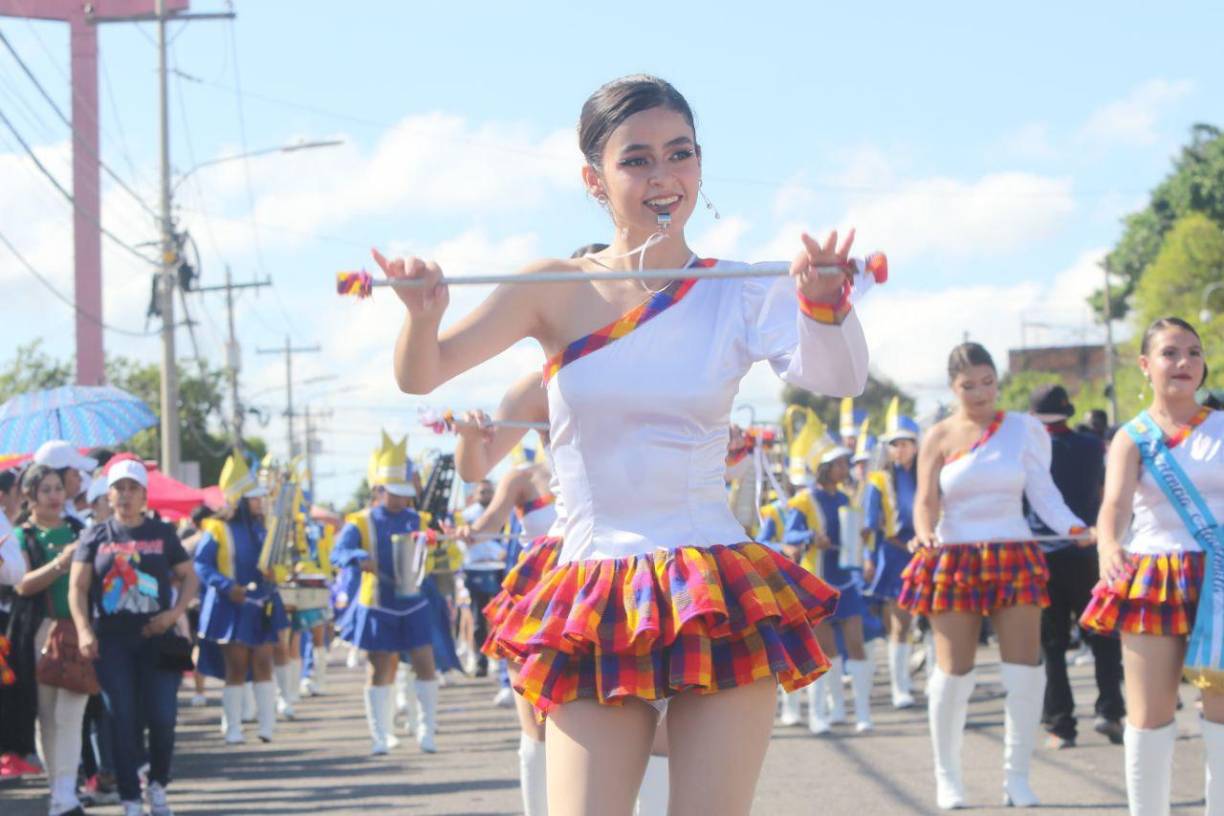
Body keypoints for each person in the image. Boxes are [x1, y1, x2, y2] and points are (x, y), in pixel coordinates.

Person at [381, 74, 869, 815]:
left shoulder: (737, 288)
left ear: (701, 164)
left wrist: (825, 306)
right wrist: (420, 315)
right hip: (594, 587)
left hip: (716, 585)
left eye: (679, 154)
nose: (662, 176)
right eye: (636, 159)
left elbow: (837, 377)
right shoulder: (552, 285)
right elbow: (427, 373)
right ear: (594, 179)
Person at [899, 342, 1089, 810]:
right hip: (955, 555)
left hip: (1014, 550)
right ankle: (948, 778)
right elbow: (925, 501)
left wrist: (1073, 526)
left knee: (1023, 670)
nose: (981, 393)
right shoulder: (938, 435)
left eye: (988, 382)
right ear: (952, 387)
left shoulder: (1023, 430)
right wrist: (924, 534)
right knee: (953, 671)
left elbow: (1043, 491)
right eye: (969, 386)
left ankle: (1016, 778)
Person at [1080, 317, 1221, 815]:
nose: (1184, 362)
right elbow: (1114, 505)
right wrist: (1109, 546)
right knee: (1149, 715)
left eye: (1193, 352)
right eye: (1170, 353)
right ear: (1145, 365)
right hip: (1156, 577)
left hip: (1220, 580)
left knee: (1222, 715)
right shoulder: (1132, 436)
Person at [70, 457, 198, 816]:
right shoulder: (95, 535)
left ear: (145, 495)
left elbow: (190, 578)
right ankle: (130, 797)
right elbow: (77, 588)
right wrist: (83, 629)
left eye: (132, 489)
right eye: (119, 489)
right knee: (121, 718)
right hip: (113, 641)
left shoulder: (163, 533)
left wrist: (173, 615)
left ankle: (157, 784)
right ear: (108, 495)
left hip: (160, 636)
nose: (125, 495)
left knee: (163, 717)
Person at [1025, 384, 1125, 749]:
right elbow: (1104, 495)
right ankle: (1110, 711)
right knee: (1102, 634)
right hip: (1087, 550)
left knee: (1052, 644)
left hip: (1043, 556)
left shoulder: (1029, 451)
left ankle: (1061, 725)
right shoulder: (1090, 445)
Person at [332, 433, 440, 755]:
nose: (401, 500)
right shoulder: (360, 522)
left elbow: (432, 559)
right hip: (378, 603)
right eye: (395, 494)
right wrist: (358, 559)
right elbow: (338, 552)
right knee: (380, 668)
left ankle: (426, 730)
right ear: (380, 490)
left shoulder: (420, 519)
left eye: (405, 494)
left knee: (425, 662)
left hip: (414, 601)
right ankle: (381, 734)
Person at [193, 452, 287, 744]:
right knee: (236, 666)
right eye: (254, 498)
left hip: (262, 604)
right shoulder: (217, 529)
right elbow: (202, 564)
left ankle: (266, 725)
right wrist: (225, 585)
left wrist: (276, 573)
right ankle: (232, 725)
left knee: (263, 661)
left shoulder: (264, 528)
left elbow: (278, 562)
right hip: (231, 606)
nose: (260, 502)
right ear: (240, 500)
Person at [784, 430, 874, 735]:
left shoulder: (847, 498)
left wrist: (861, 535)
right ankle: (825, 712)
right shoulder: (803, 500)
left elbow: (853, 535)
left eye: (844, 463)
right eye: (837, 464)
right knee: (826, 652)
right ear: (823, 467)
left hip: (846, 581)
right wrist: (811, 538)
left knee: (856, 645)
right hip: (815, 585)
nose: (843, 468)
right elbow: (790, 537)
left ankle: (861, 711)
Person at [12, 465, 86, 816]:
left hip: (77, 629)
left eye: (59, 488)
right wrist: (60, 563)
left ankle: (66, 791)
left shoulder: (78, 530)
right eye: (46, 490)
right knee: (47, 715)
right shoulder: (21, 535)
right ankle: (58, 789)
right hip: (39, 629)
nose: (56, 495)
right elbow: (21, 583)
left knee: (71, 713)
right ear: (30, 496)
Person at [863, 397, 921, 709]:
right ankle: (901, 687)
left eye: (907, 443)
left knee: (930, 620)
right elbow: (871, 525)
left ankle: (932, 676)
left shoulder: (927, 474)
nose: (902, 449)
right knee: (900, 622)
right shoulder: (878, 480)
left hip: (926, 554)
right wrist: (869, 558)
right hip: (895, 554)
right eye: (896, 443)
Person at [32, 441, 97, 526]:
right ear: (58, 477)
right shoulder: (48, 520)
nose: (81, 479)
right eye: (75, 473)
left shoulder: (69, 507)